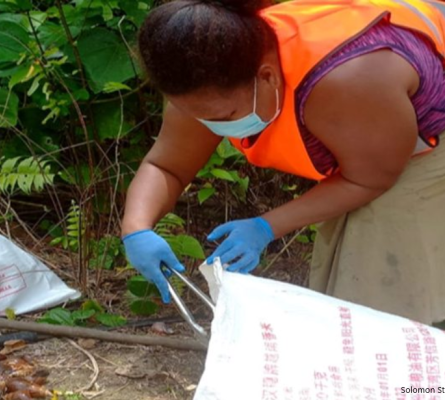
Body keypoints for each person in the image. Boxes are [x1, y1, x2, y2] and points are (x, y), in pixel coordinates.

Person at [121, 0, 445, 325]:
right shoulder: (204, 80)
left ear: (267, 77)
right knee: (344, 269)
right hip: (373, 138)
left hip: (424, 136)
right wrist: (136, 229)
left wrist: (265, 227)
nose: (208, 126)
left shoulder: (347, 81)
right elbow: (166, 166)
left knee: (385, 282)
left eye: (224, 117)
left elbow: (370, 179)